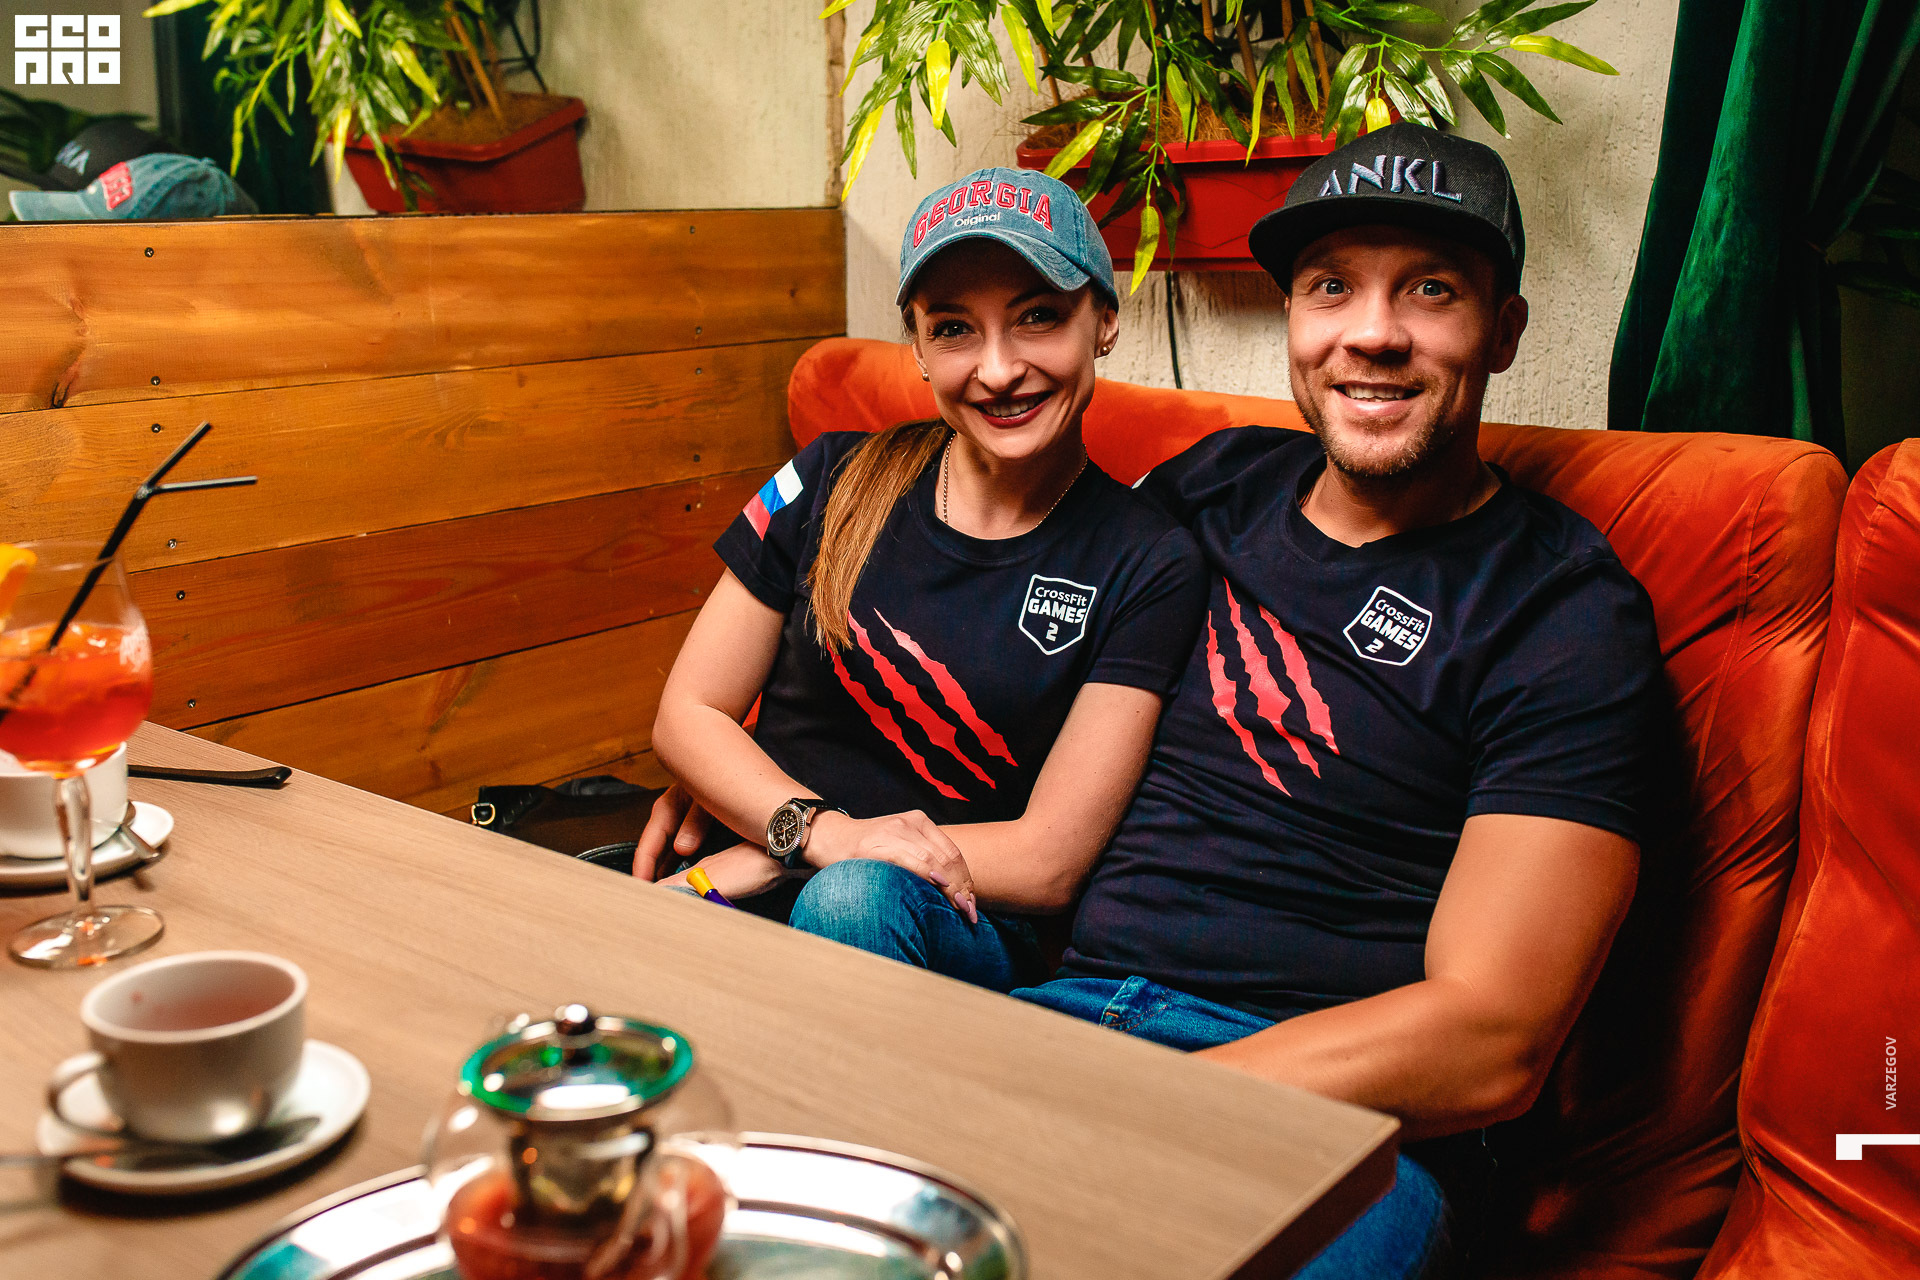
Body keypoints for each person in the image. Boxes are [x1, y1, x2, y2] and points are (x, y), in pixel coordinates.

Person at [1005, 122, 1665, 1277]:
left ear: (1504, 331)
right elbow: (1004, 671)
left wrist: (1143, 1101)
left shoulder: (1564, 612)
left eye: (1431, 289)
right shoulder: (1207, 485)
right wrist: (776, 806)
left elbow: (1493, 1035)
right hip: (1058, 1010)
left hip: (1337, 1116)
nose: (1373, 333)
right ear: (1293, 321)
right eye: (1330, 287)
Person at [635, 167, 1207, 994]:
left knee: (853, 900)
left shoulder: (1149, 560)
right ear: (918, 348)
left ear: (1106, 321)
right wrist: (813, 836)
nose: (999, 370)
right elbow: (689, 713)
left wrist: (806, 855)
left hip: (949, 920)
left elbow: (1050, 860)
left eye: (1038, 317)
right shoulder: (832, 478)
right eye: (954, 330)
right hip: (748, 874)